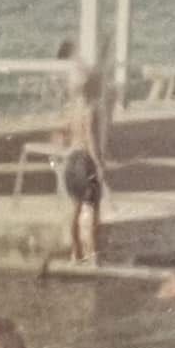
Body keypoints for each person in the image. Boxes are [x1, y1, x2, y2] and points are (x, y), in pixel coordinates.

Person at [62, 67, 108, 265]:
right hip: (85, 161)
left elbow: (64, 135)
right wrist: (99, 165)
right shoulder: (91, 110)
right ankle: (94, 257)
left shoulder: (71, 109)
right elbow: (91, 139)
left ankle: (75, 253)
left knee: (76, 208)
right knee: (94, 209)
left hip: (71, 159)